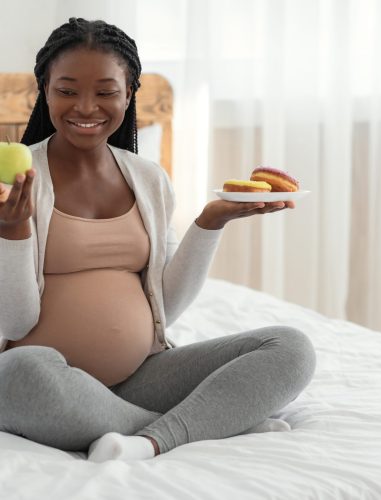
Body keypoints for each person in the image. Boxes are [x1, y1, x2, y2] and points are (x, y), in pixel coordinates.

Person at [0, 18, 316, 462]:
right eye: (67, 91)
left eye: (106, 92)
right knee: (19, 374)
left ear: (129, 94)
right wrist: (12, 232)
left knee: (290, 347)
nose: (86, 107)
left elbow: (164, 308)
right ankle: (201, 427)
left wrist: (209, 223)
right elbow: (15, 326)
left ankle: (143, 438)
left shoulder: (148, 179)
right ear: (45, 90)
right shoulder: (15, 181)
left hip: (141, 374)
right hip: (49, 377)